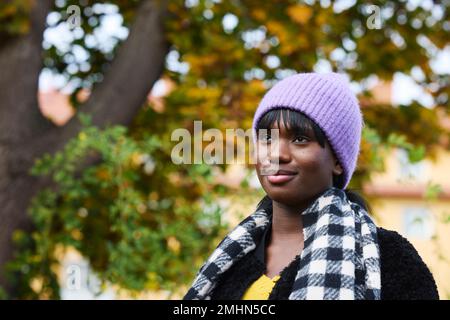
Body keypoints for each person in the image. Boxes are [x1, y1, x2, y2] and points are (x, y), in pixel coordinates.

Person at [183, 73, 439, 300]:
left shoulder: (390, 259)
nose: (277, 154)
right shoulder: (232, 258)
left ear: (338, 160)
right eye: (267, 138)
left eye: (300, 139)